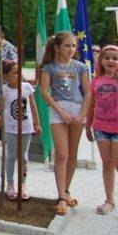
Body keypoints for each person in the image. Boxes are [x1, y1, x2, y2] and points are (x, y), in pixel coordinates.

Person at [40, 31, 92, 216]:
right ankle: (61, 196)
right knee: (61, 154)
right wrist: (61, 112)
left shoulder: (80, 67)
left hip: (78, 112)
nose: (71, 49)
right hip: (58, 112)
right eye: (67, 45)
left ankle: (67, 190)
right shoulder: (49, 68)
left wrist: (81, 116)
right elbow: (44, 92)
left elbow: (87, 93)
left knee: (72, 154)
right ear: (57, 48)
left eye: (73, 46)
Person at [0, 61, 41, 201]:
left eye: (19, 72)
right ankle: (10, 184)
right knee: (11, 156)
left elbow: (33, 105)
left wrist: (37, 123)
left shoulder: (27, 87)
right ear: (6, 76)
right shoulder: (3, 89)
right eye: (15, 73)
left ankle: (22, 184)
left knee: (23, 156)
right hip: (11, 129)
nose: (19, 75)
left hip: (26, 127)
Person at [86, 44, 118, 215]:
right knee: (107, 164)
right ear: (101, 60)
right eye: (107, 57)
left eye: (115, 57)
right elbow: (91, 105)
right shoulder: (96, 80)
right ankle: (109, 200)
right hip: (101, 128)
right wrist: (87, 126)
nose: (111, 60)